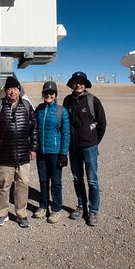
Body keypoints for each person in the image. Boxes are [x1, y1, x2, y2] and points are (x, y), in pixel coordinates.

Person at [0, 76, 38, 228]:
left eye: (15, 88)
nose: (12, 91)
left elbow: (34, 127)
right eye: (9, 89)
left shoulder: (27, 106)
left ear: (19, 90)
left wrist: (34, 148)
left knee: (22, 185)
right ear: (5, 91)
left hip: (23, 155)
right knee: (3, 186)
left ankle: (21, 214)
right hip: (4, 155)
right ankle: (2, 214)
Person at [62, 71, 106, 227]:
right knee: (76, 178)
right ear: (72, 84)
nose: (78, 84)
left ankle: (93, 210)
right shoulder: (68, 100)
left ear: (85, 84)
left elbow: (101, 123)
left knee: (92, 180)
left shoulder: (93, 100)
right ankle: (81, 205)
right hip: (73, 148)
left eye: (81, 82)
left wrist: (93, 140)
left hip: (89, 147)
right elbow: (64, 122)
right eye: (75, 82)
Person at [33, 81, 70, 223]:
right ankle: (43, 206)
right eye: (46, 93)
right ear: (43, 94)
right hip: (41, 151)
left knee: (55, 182)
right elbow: (35, 129)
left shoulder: (62, 111)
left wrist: (63, 153)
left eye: (51, 93)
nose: (49, 95)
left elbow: (66, 133)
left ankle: (56, 209)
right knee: (43, 180)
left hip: (55, 152)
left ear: (55, 95)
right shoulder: (39, 109)